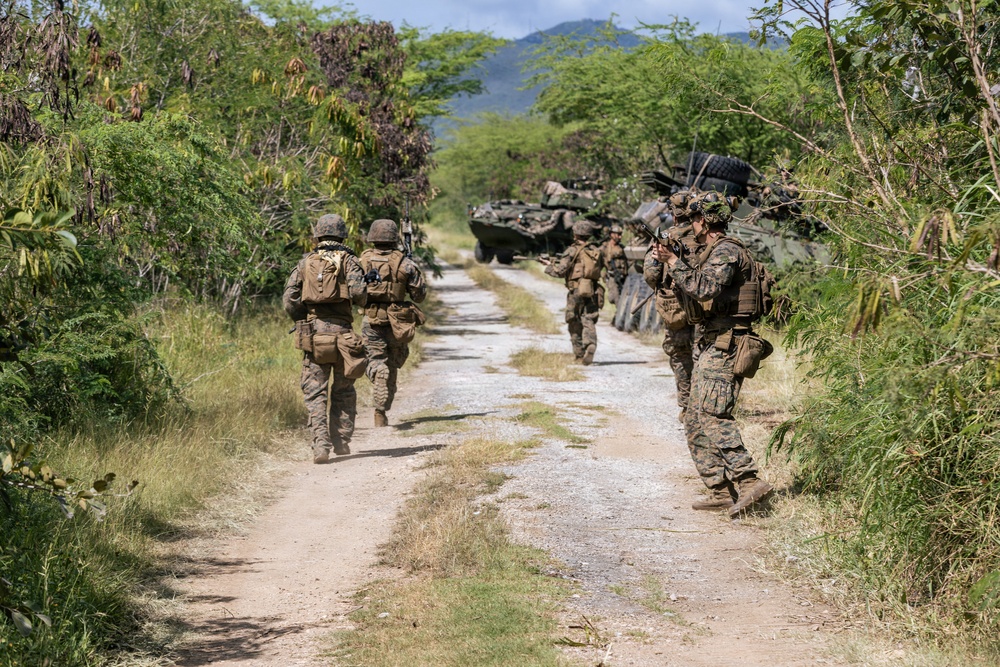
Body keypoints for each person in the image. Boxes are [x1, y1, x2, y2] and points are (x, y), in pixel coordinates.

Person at [657, 193, 772, 515]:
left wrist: (673, 262)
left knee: (711, 414)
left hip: (727, 343)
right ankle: (720, 489)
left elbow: (705, 289)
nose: (691, 225)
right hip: (712, 340)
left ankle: (749, 480)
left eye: (694, 219)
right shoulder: (712, 251)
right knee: (693, 418)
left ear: (704, 221)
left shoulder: (728, 251)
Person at [283, 214, 369, 463]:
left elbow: (289, 299)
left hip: (315, 337)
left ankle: (321, 446)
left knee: (315, 393)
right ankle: (341, 442)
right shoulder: (350, 261)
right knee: (344, 391)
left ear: (318, 235)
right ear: (342, 235)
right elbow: (360, 294)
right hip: (344, 337)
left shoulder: (305, 263)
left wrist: (304, 319)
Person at [359, 219, 427, 428]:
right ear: (393, 238)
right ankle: (382, 411)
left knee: (375, 360)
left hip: (371, 319)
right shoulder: (405, 264)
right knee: (393, 365)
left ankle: (379, 402)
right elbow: (419, 296)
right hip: (398, 322)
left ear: (372, 237)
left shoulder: (361, 261)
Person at [642, 195, 700, 414]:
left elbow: (651, 273)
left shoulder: (665, 236)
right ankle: (703, 404)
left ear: (673, 213)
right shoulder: (707, 237)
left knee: (681, 355)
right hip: (705, 304)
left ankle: (687, 406)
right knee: (703, 353)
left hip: (677, 306)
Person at [541, 220, 606, 365]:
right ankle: (590, 343)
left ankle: (579, 354)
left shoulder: (572, 250)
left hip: (576, 290)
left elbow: (560, 271)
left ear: (575, 234)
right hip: (593, 289)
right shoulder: (596, 250)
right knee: (588, 318)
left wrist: (548, 266)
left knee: (573, 320)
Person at [601, 223, 628, 306]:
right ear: (612, 234)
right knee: (615, 299)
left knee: (624, 301)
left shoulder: (622, 248)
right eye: (618, 235)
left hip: (624, 277)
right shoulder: (604, 248)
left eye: (620, 235)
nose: (620, 237)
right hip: (613, 277)